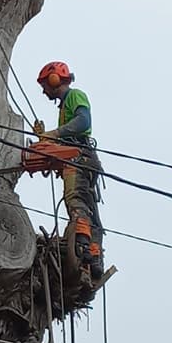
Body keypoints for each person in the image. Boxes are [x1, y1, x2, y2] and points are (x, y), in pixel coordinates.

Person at [35, 61, 104, 281]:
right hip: (81, 158)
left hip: (79, 158)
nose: (44, 90)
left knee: (76, 201)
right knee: (89, 209)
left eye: (45, 84)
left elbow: (83, 122)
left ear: (55, 79)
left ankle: (82, 246)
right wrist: (47, 140)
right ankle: (94, 258)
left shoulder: (75, 95)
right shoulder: (64, 107)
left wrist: (54, 134)